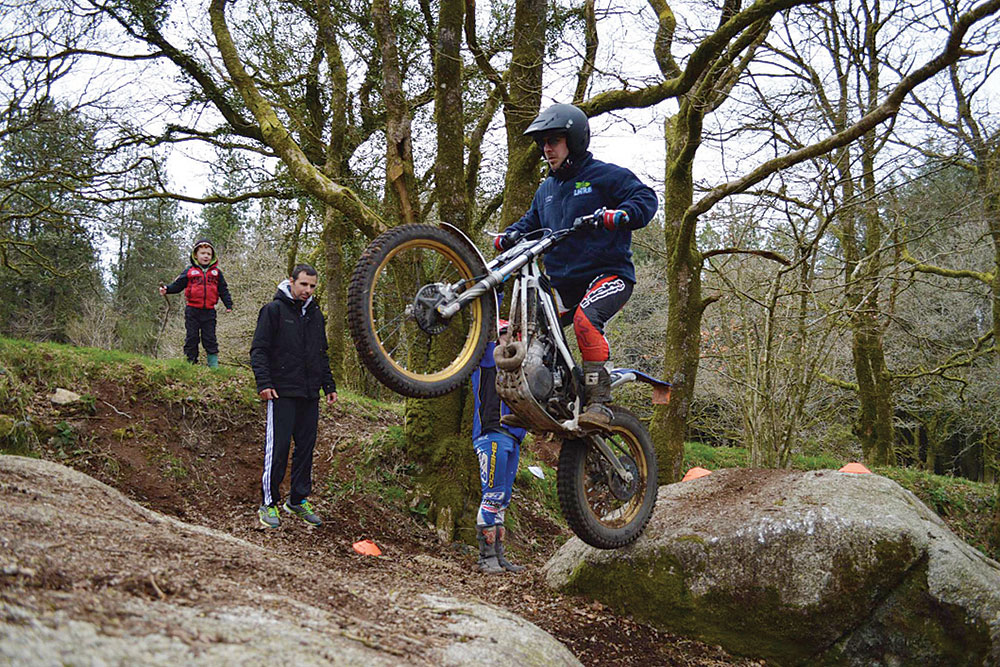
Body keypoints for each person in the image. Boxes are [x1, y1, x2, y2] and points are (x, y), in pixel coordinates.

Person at [496, 103, 658, 430]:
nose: (546, 149)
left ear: (574, 140)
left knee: (585, 321)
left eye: (553, 141)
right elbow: (531, 223)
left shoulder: (604, 176)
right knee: (525, 332)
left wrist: (620, 215)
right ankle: (544, 399)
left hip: (608, 275)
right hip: (562, 284)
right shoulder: (547, 190)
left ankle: (599, 400)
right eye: (543, 143)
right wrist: (510, 235)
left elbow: (645, 198)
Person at [250, 264, 338, 528]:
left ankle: (297, 500)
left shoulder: (316, 315)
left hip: (310, 393)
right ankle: (268, 504)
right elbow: (259, 350)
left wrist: (329, 385)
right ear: (292, 282)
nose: (307, 290)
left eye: (312, 286)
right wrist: (264, 382)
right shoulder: (273, 311)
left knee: (306, 449)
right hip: (281, 391)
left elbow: (321, 353)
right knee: (278, 450)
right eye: (303, 285)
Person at [471, 319, 527, 574]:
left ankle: (500, 556)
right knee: (492, 495)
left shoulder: (519, 365)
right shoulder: (486, 357)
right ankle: (486, 558)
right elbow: (485, 324)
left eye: (513, 335)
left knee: (503, 498)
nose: (510, 339)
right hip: (490, 433)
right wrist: (498, 285)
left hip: (513, 437)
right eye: (505, 334)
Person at [159, 239, 234, 368]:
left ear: (213, 256)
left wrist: (228, 304)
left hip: (209, 311)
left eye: (208, 254)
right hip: (192, 310)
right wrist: (167, 289)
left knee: (210, 338)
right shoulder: (189, 271)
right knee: (192, 338)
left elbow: (223, 290)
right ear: (195, 255)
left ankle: (213, 366)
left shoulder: (216, 273)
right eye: (203, 253)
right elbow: (178, 285)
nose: (206, 256)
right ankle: (190, 364)